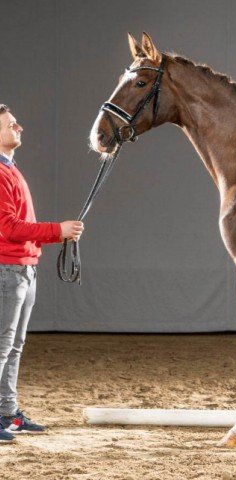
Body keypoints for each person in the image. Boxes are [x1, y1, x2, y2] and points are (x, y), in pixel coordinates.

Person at [0, 104, 83, 442]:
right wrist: (56, 231)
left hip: (23, 269)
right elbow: (9, 227)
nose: (19, 126)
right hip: (9, 269)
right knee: (3, 346)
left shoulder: (10, 170)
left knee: (14, 345)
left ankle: (7, 412)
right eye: (10, 124)